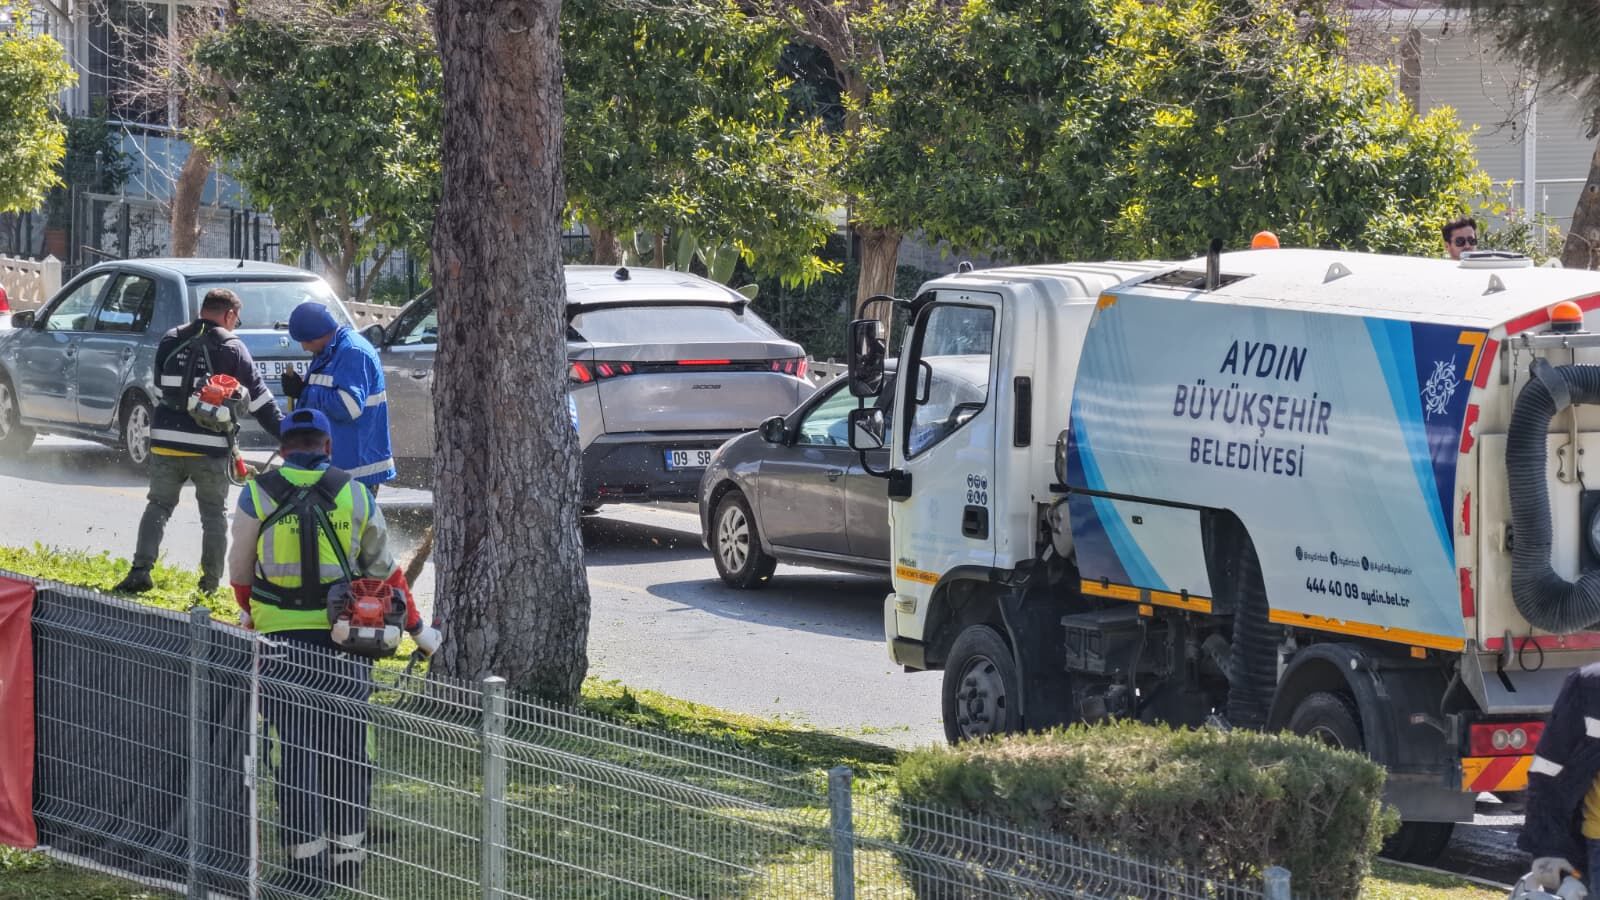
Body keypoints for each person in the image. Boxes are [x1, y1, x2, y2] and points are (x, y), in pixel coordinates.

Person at [229, 408, 440, 898]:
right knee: (347, 747)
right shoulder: (355, 493)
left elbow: (239, 571)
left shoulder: (257, 494)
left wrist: (250, 612)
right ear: (328, 446)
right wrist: (417, 629)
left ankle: (306, 865)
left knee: (295, 749)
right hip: (347, 641)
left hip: (279, 642)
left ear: (283, 449)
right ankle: (349, 858)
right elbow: (387, 575)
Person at [113, 288, 284, 595]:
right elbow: (260, 402)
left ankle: (140, 570)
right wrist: (287, 436)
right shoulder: (233, 348)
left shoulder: (171, 339)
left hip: (165, 440)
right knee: (213, 515)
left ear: (203, 310)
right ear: (229, 315)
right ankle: (209, 586)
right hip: (210, 447)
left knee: (158, 505)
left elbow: (160, 389)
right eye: (236, 320)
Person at [279, 302, 395, 492]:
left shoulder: (353, 352)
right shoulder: (329, 350)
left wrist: (306, 392)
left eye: (306, 341)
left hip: (355, 469)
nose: (304, 347)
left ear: (319, 333)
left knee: (353, 514)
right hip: (339, 466)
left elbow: (349, 406)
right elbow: (324, 391)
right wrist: (301, 390)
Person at [1520, 662, 1600, 897]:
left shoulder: (1590, 684)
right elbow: (1549, 774)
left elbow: (1549, 774)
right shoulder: (1590, 686)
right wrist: (1547, 847)